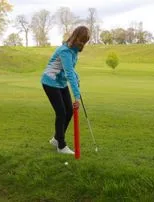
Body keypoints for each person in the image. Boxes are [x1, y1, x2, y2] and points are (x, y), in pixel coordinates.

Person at [41, 26, 90, 154]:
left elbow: (71, 69)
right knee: (61, 112)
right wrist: (77, 96)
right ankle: (61, 146)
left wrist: (77, 76)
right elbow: (68, 73)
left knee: (69, 111)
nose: (81, 44)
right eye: (81, 40)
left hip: (61, 83)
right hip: (50, 82)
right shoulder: (65, 51)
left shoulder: (74, 51)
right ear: (75, 37)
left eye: (84, 42)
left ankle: (56, 139)